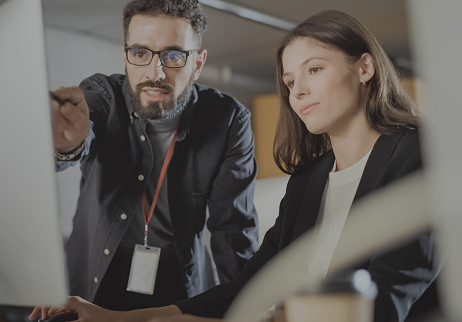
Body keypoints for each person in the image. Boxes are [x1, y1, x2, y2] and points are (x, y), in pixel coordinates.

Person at [31, 9, 438, 322]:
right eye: (291, 82)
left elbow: (387, 301)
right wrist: (110, 318)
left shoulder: (419, 156)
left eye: (314, 69)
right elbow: (248, 288)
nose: (300, 92)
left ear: (365, 68)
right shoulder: (308, 182)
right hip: (98, 280)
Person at [44, 0, 259, 313]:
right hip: (96, 276)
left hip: (180, 282)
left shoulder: (228, 121)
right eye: (141, 53)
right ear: (125, 56)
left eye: (173, 55)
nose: (155, 72)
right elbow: (75, 141)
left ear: (197, 64)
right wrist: (66, 144)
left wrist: (247, 311)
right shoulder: (102, 96)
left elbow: (233, 233)